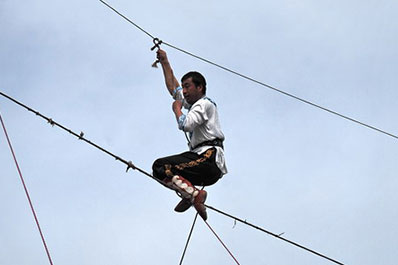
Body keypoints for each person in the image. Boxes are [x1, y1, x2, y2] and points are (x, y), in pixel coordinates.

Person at [152, 49, 227, 220]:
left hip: (208, 159)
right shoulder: (195, 104)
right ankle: (190, 193)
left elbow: (186, 124)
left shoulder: (204, 104)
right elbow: (173, 88)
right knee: (160, 169)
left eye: (188, 86)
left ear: (199, 87)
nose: (184, 91)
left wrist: (177, 109)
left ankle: (193, 195)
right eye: (184, 87)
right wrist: (164, 62)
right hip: (202, 160)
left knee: (160, 166)